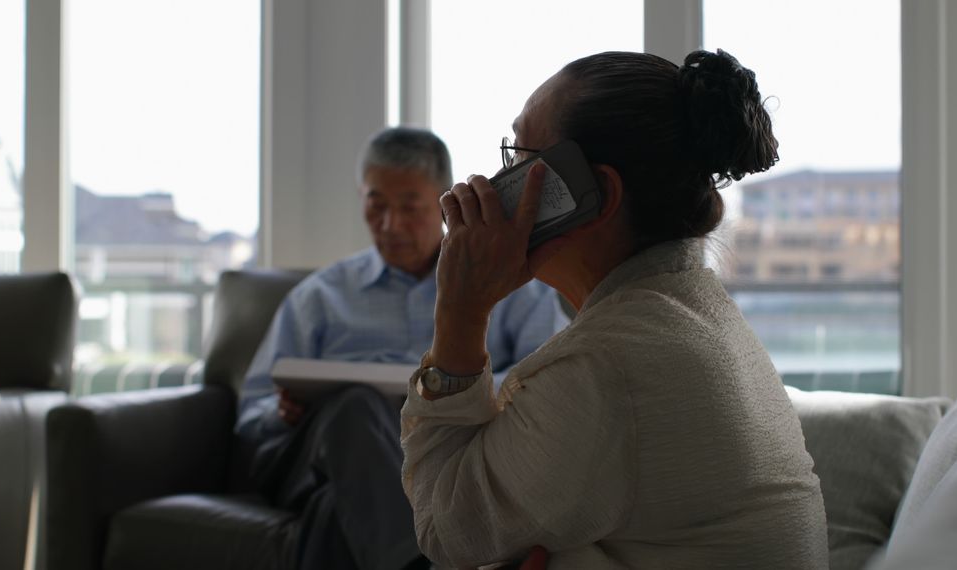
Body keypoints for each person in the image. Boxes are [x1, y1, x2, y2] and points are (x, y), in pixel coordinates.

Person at [401, 50, 829, 568]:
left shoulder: (605, 367)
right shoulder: (699, 317)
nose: (495, 183)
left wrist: (460, 314)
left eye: (518, 157)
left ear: (594, 192)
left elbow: (445, 531)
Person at [237, 127, 568, 570]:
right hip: (307, 457)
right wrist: (280, 412)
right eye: (376, 206)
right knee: (353, 407)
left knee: (335, 509)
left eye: (410, 208)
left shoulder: (511, 285)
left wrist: (460, 390)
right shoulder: (320, 296)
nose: (391, 226)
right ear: (361, 197)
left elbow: (551, 379)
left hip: (437, 462)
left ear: (444, 202)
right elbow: (251, 413)